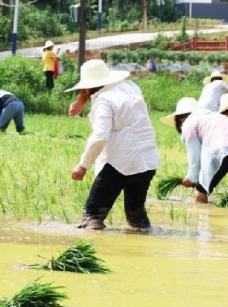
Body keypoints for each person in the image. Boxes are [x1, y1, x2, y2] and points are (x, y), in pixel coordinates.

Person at [67, 59, 159, 230]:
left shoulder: (103, 101)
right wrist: (82, 99)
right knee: (136, 216)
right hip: (147, 160)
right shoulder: (131, 87)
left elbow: (100, 136)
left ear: (87, 86)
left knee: (92, 215)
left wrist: (83, 165)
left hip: (120, 163)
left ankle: (94, 245)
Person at [162, 97, 228, 205]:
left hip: (223, 150)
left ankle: (202, 217)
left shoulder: (189, 123)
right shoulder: (216, 116)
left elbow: (194, 155)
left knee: (201, 191)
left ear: (181, 118)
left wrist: (192, 178)